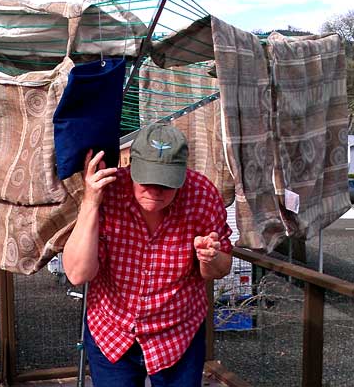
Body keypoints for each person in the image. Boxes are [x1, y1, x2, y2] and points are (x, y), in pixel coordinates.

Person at [63, 123, 233, 387]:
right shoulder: (108, 190)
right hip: (111, 331)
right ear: (131, 165)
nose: (155, 190)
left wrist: (210, 258)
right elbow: (77, 274)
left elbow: (220, 269)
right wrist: (90, 203)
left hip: (178, 333)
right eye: (147, 179)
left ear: (182, 174)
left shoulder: (203, 195)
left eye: (166, 182)